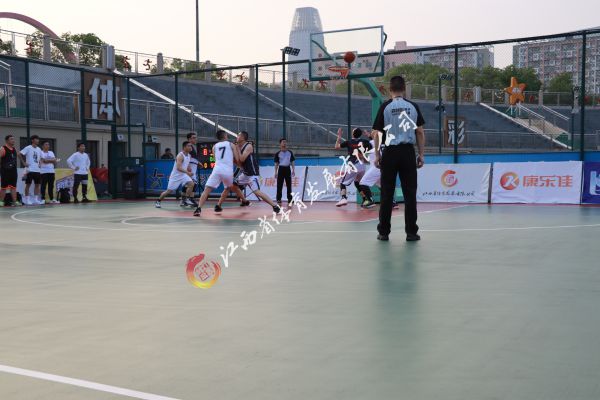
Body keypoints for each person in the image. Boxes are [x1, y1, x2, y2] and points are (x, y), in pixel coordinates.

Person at [373, 75, 425, 242]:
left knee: (386, 194)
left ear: (390, 90)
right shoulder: (413, 106)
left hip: (390, 152)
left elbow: (377, 133)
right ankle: (411, 233)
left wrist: (377, 155)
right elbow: (420, 132)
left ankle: (384, 232)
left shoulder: (385, 107)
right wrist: (421, 154)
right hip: (407, 152)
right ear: (404, 89)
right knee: (410, 193)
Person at [193, 130, 242, 216]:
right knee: (227, 188)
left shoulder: (214, 146)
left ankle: (198, 208)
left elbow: (216, 160)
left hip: (217, 169)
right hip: (227, 171)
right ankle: (219, 205)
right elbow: (238, 159)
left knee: (206, 190)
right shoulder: (231, 145)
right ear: (225, 136)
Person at [234, 131, 281, 214]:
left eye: (238, 135)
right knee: (234, 184)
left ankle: (274, 206)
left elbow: (242, 159)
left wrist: (236, 149)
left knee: (257, 192)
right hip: (245, 174)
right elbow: (239, 163)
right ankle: (244, 201)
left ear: (243, 138)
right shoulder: (239, 147)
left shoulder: (248, 146)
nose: (236, 137)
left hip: (252, 174)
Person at [334, 127, 372, 207]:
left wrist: (339, 136)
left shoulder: (349, 142)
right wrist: (368, 135)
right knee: (358, 183)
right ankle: (366, 199)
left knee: (342, 182)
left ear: (353, 133)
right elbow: (372, 144)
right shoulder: (364, 141)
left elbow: (336, 147)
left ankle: (343, 198)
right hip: (362, 165)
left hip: (353, 165)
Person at [155, 141, 195, 208]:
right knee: (169, 191)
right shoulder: (180, 156)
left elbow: (186, 164)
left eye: (191, 146)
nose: (190, 147)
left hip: (183, 175)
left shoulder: (189, 155)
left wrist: (189, 168)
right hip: (175, 176)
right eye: (189, 146)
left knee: (191, 184)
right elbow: (178, 168)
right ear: (184, 147)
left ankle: (186, 199)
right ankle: (158, 201)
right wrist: (187, 172)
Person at [19, 135, 43, 205]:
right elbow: (19, 154)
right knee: (28, 185)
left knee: (37, 185)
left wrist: (40, 163)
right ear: (32, 140)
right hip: (29, 170)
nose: (37, 140)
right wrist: (24, 163)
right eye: (36, 139)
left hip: (37, 170)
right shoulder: (28, 147)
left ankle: (36, 199)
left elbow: (41, 158)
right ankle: (27, 200)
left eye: (38, 139)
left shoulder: (39, 149)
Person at [0, 134, 21, 207]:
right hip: (5, 171)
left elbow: (19, 156)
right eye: (11, 139)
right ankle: (1, 201)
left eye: (13, 139)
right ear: (7, 141)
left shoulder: (14, 149)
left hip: (13, 171)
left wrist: (24, 162)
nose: (13, 140)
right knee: (4, 187)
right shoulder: (3, 148)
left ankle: (14, 201)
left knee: (13, 187)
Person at [274, 138, 296, 207]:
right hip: (281, 169)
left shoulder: (290, 152)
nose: (284, 143)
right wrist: (275, 172)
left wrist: (293, 170)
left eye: (285, 142)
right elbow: (276, 163)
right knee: (279, 185)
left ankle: (290, 199)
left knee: (289, 185)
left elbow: (292, 161)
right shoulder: (277, 153)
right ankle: (278, 199)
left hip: (287, 169)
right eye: (283, 142)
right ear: (280, 144)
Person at [180, 132, 199, 207]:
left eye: (195, 137)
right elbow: (186, 156)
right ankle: (189, 200)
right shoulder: (188, 147)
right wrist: (188, 166)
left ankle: (185, 200)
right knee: (191, 184)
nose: (195, 139)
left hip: (193, 168)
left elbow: (193, 158)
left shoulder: (192, 147)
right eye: (193, 138)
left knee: (189, 184)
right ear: (189, 139)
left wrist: (198, 163)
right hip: (189, 169)